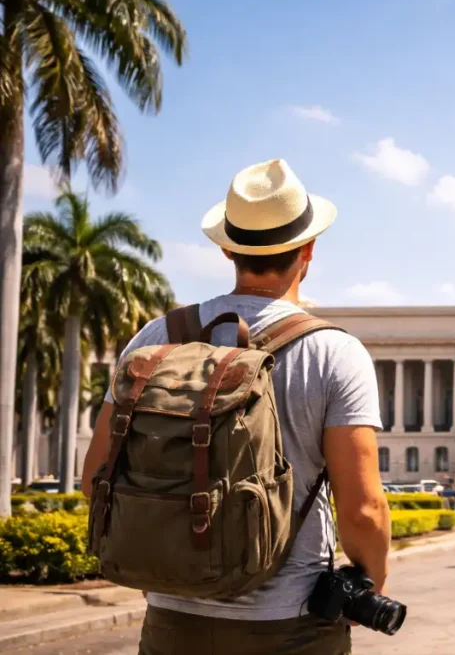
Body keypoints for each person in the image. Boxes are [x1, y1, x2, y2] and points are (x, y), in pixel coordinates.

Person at [81, 159, 388, 655]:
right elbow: (364, 510)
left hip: (172, 620)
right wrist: (369, 589)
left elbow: (96, 474)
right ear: (309, 249)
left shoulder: (156, 339)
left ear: (227, 248)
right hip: (291, 624)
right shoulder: (334, 352)